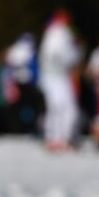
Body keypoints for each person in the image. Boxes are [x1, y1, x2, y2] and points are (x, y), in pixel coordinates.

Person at [38, 10, 82, 151]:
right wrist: (75, 57)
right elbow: (63, 55)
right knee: (66, 108)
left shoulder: (50, 33)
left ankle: (54, 138)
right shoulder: (61, 32)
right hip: (58, 75)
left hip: (51, 75)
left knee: (56, 108)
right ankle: (63, 138)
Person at [5, 33, 42, 135]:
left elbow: (10, 67)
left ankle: (18, 129)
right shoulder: (28, 50)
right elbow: (33, 67)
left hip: (17, 82)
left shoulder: (14, 50)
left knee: (18, 107)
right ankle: (28, 128)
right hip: (26, 83)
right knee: (28, 106)